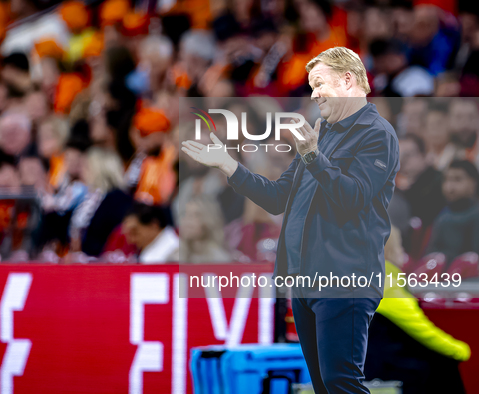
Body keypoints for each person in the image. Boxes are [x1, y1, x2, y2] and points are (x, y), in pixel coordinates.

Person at [182, 46, 400, 393]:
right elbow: (277, 197)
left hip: (344, 277)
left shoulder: (377, 133)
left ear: (347, 81)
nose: (314, 95)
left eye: (320, 85)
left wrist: (313, 156)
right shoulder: (324, 134)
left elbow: (352, 197)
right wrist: (230, 166)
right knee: (324, 385)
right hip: (304, 279)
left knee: (340, 382)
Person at [365, 226, 470, 394]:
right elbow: (422, 330)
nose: (403, 253)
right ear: (388, 251)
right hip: (390, 369)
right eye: (400, 246)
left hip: (368, 366)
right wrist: (459, 350)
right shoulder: (387, 284)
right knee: (444, 366)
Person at [426, 160, 479, 263]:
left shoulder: (476, 215)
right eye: (446, 179)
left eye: (457, 179)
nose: (449, 186)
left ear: (473, 183)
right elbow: (430, 256)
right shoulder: (442, 216)